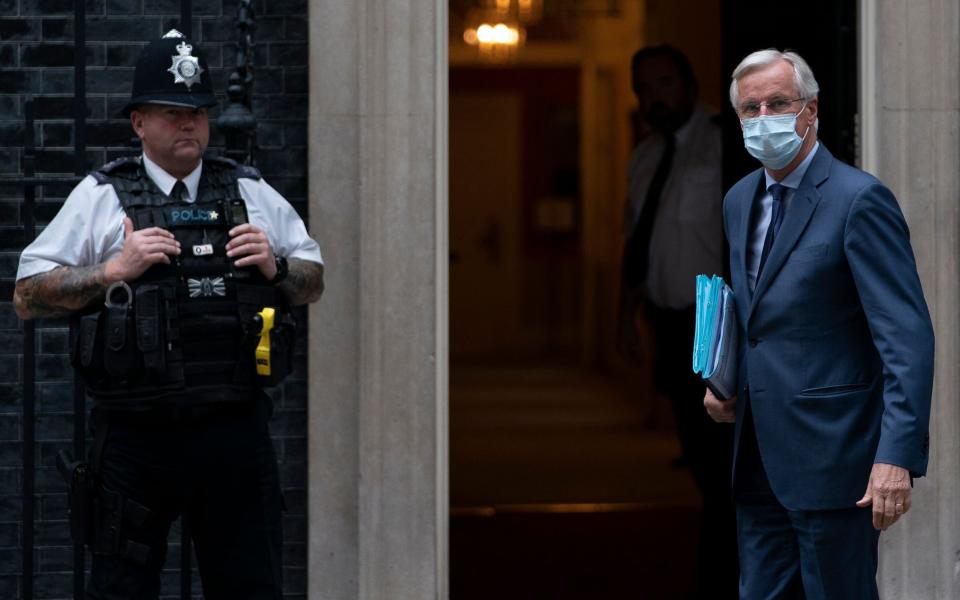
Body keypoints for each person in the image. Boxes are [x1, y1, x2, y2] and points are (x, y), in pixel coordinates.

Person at [13, 30, 324, 599]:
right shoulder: (102, 196)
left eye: (198, 114)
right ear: (139, 123)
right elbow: (28, 294)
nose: (190, 126)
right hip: (137, 437)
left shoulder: (251, 190)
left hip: (234, 429)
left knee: (250, 586)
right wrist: (112, 270)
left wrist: (277, 267)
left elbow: (312, 282)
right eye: (173, 112)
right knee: (122, 589)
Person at [704, 48, 934, 599]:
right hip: (757, 459)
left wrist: (895, 457)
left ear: (810, 111)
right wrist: (721, 379)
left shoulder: (859, 200)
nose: (764, 119)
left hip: (836, 463)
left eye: (778, 103)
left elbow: (906, 338)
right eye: (750, 108)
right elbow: (753, 311)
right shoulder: (739, 200)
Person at [617, 45, 737, 598]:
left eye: (664, 84)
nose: (653, 98)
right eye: (644, 89)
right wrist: (626, 313)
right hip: (668, 322)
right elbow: (636, 242)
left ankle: (728, 570)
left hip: (716, 321)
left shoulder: (725, 144)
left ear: (690, 84)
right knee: (695, 450)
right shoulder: (644, 156)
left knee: (720, 459)